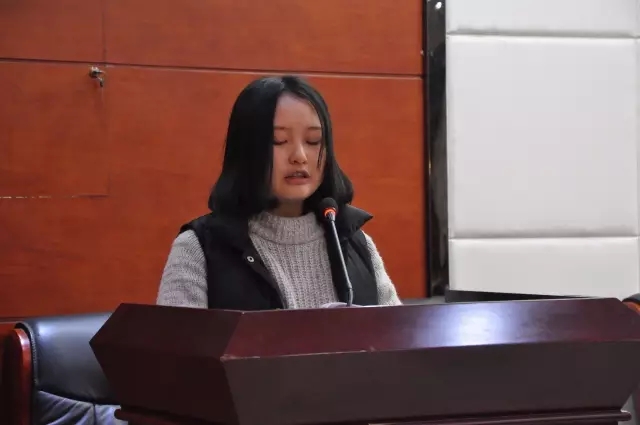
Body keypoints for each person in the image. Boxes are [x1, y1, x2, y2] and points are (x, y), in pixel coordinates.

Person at [156, 75, 401, 310]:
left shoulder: (354, 242)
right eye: (278, 141)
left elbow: (398, 335)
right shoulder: (199, 247)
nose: (300, 157)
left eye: (314, 141)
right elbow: (177, 340)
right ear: (245, 150)